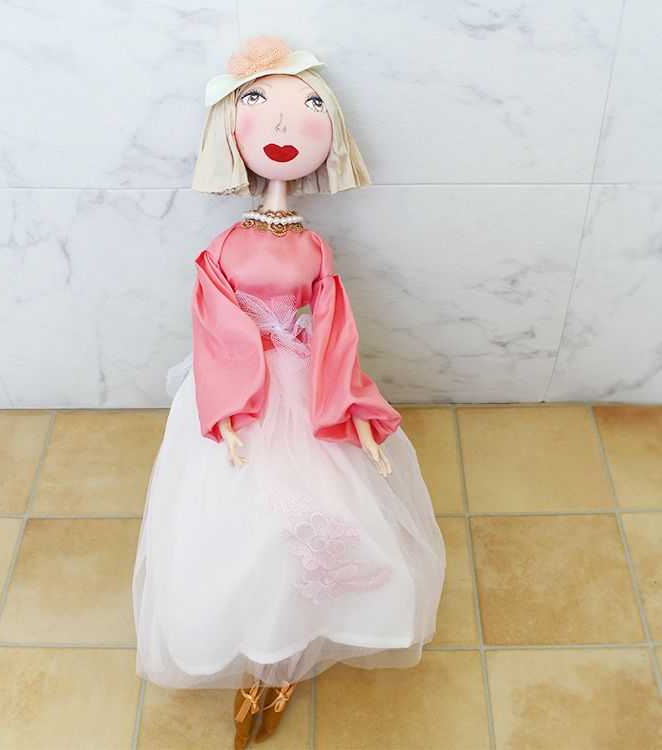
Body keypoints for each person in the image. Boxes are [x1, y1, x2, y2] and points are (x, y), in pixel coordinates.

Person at [132, 35, 446, 749]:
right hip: (241, 387)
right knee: (239, 522)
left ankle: (283, 661)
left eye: (306, 111)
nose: (283, 129)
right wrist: (226, 412)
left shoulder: (314, 249)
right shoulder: (224, 249)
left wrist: (357, 414)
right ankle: (257, 657)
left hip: (307, 381)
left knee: (321, 514)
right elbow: (216, 326)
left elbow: (334, 331)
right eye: (260, 110)